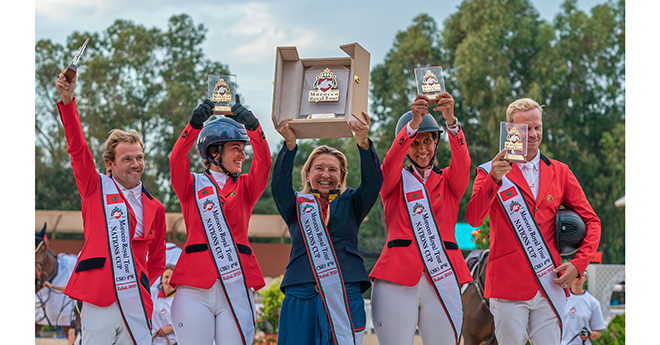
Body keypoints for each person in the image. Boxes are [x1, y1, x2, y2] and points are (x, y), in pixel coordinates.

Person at [465, 98, 601, 345]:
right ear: (510, 130)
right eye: (526, 128)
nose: (534, 134)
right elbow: (474, 218)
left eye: (537, 127)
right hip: (507, 287)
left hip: (550, 283)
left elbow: (592, 222)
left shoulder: (561, 171)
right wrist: (494, 180)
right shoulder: (488, 171)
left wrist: (578, 265)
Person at [55, 69, 167, 345]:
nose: (136, 164)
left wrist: (138, 281)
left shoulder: (157, 208)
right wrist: (68, 102)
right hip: (99, 297)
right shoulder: (94, 188)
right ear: (110, 163)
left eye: (139, 157)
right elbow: (77, 148)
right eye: (127, 159)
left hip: (136, 303)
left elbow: (158, 261)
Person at [369, 93, 472, 345]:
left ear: (437, 142)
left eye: (427, 141)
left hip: (443, 275)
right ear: (406, 146)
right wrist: (411, 127)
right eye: (415, 143)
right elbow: (389, 163)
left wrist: (451, 123)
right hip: (396, 277)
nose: (422, 149)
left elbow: (463, 162)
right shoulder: (393, 181)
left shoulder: (449, 180)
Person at [272, 111, 382, 345]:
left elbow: (373, 184)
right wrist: (290, 146)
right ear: (308, 173)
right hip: (302, 294)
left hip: (344, 293)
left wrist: (363, 142)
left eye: (333, 170)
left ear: (342, 176)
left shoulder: (352, 202)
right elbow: (279, 186)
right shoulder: (295, 205)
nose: (325, 174)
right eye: (319, 168)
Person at [168, 98, 271, 345]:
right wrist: (193, 125)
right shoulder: (191, 185)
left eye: (243, 149)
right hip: (195, 288)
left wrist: (255, 127)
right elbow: (175, 159)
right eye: (236, 148)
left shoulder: (246, 186)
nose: (242, 155)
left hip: (236, 283)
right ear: (215, 152)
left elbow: (264, 162)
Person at [561, 270, 606, 345]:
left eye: (579, 276)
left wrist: (589, 334)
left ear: (585, 277)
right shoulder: (561, 299)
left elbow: (598, 333)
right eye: (574, 276)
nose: (576, 279)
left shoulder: (593, 303)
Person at [151, 264, 178, 345]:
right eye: (166, 277)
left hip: (173, 342)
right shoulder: (152, 293)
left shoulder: (180, 299)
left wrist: (170, 328)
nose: (169, 281)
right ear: (161, 279)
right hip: (152, 341)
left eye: (172, 278)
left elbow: (188, 325)